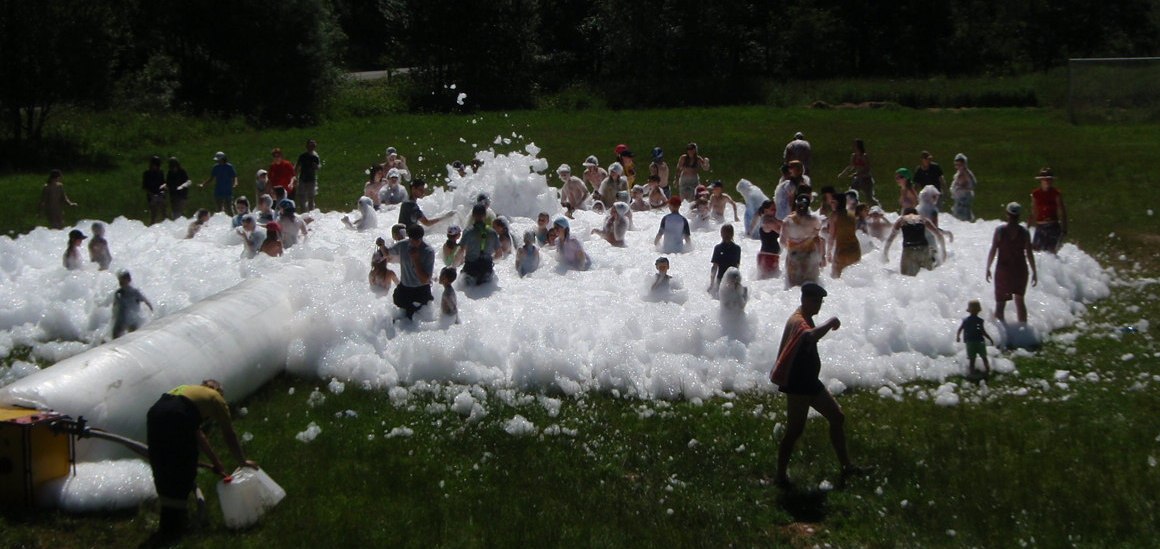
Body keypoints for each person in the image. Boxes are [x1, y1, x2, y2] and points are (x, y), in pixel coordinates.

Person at [769, 282, 862, 487]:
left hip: (810, 381)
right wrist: (830, 323)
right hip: (798, 384)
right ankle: (780, 476)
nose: (818, 305)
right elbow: (809, 336)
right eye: (815, 301)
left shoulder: (806, 317)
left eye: (820, 302)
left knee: (837, 417)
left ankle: (847, 466)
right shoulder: (798, 320)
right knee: (795, 430)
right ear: (804, 300)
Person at [146, 380, 256, 539]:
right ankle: (178, 526)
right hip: (178, 416)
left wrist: (217, 464)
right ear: (219, 391)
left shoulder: (188, 391)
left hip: (155, 414)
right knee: (183, 468)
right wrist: (243, 462)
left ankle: (168, 525)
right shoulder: (216, 398)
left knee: (163, 465)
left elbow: (199, 435)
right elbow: (229, 434)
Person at [986, 202, 1038, 324]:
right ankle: (1023, 330)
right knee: (1020, 301)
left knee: (1000, 304)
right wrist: (1034, 271)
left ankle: (1002, 332)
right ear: (1019, 216)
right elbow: (1029, 253)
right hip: (1020, 270)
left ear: (1007, 214)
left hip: (1003, 271)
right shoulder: (1024, 232)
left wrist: (988, 267)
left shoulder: (999, 231)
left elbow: (993, 250)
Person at [389, 224, 436, 320]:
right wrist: (381, 248)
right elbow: (387, 253)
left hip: (421, 290)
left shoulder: (428, 252)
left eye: (417, 240)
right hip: (404, 289)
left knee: (417, 317)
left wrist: (416, 260)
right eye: (412, 240)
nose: (414, 243)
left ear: (421, 238)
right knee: (400, 315)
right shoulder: (402, 245)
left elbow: (425, 280)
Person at [882, 207, 947, 276]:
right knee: (927, 276)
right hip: (923, 249)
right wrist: (943, 251)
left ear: (904, 214)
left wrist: (885, 253)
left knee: (906, 277)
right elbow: (938, 234)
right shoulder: (922, 219)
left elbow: (890, 239)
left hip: (908, 249)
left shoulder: (902, 220)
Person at [779, 195, 825, 288]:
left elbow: (782, 242)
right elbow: (819, 239)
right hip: (810, 257)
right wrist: (822, 257)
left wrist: (793, 247)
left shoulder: (788, 221)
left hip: (795, 257)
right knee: (812, 286)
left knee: (793, 288)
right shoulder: (814, 220)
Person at [460, 204, 501, 286]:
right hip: (486, 270)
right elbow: (499, 255)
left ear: (473, 215)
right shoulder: (492, 232)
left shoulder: (467, 232)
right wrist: (490, 259)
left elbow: (460, 252)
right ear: (485, 215)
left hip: (470, 270)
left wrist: (453, 267)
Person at [1029, 167, 1067, 254]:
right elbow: (1033, 211)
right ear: (1041, 181)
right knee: (1035, 250)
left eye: (1049, 179)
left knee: (1051, 251)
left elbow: (1062, 210)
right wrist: (1028, 227)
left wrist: (1064, 228)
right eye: (1044, 179)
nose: (1047, 182)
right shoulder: (1035, 194)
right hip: (1040, 226)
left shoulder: (1056, 193)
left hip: (1053, 225)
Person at [826, 192, 861, 278]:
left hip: (842, 251)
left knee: (836, 278)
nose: (830, 204)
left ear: (838, 203)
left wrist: (828, 253)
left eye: (833, 202)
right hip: (855, 250)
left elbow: (831, 236)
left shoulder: (834, 215)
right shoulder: (852, 214)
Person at [956, 299, 994, 377]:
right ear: (978, 310)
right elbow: (983, 331)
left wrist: (958, 337)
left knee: (972, 359)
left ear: (969, 310)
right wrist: (989, 338)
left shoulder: (966, 320)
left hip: (970, 342)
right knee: (983, 357)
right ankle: (987, 370)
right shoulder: (980, 321)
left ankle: (972, 372)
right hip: (979, 341)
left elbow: (960, 329)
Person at [111, 270, 153, 338]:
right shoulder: (118, 293)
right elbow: (114, 305)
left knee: (133, 333)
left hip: (132, 318)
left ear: (129, 280)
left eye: (123, 280)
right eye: (120, 281)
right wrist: (113, 316)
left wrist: (151, 309)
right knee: (116, 333)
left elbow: (145, 301)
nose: (121, 283)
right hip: (121, 318)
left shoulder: (134, 292)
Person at [839, 138, 876, 206]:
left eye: (855, 145)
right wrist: (843, 173)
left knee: (869, 198)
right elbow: (851, 166)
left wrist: (857, 174)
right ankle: (852, 209)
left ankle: (877, 207)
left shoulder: (864, 156)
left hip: (866, 179)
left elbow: (867, 168)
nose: (853, 147)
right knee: (851, 195)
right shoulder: (854, 156)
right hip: (857, 179)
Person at [752, 200, 782, 279]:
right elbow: (784, 231)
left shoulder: (771, 219)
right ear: (766, 211)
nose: (775, 211)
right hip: (767, 256)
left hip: (769, 255)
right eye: (772, 209)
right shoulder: (768, 222)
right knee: (768, 281)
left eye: (775, 209)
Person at [708, 224, 741, 296]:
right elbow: (737, 266)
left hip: (724, 280)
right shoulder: (737, 248)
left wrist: (711, 284)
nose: (726, 235)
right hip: (731, 280)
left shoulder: (718, 248)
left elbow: (714, 267)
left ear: (721, 234)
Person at [295, 139, 321, 212]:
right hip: (303, 178)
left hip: (311, 179)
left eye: (313, 145)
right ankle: (303, 212)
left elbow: (318, 167)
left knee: (311, 198)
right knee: (302, 197)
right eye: (310, 145)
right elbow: (297, 167)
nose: (312, 147)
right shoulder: (303, 156)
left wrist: (316, 166)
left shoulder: (315, 157)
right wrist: (295, 177)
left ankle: (311, 212)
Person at [949, 153, 976, 222]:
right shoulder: (958, 173)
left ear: (964, 164)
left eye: (959, 165)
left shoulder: (967, 173)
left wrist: (963, 187)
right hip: (957, 202)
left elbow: (973, 184)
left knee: (964, 220)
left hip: (964, 203)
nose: (957, 167)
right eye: (956, 165)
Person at [143, 155, 167, 225]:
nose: (154, 167)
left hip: (160, 195)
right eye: (153, 165)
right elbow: (145, 186)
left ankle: (165, 225)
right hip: (152, 196)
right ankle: (152, 226)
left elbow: (163, 183)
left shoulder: (160, 173)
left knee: (163, 213)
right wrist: (151, 194)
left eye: (156, 165)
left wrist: (163, 190)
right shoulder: (147, 174)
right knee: (154, 214)